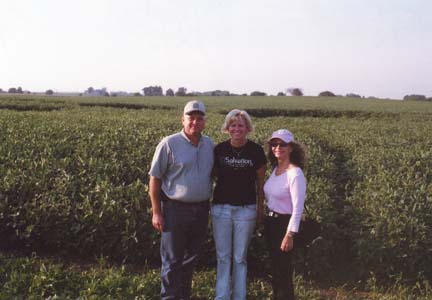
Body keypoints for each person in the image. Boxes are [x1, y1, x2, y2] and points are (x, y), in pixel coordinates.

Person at [148, 100, 214, 300]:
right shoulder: (169, 143)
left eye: (199, 118)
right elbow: (155, 178)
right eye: (191, 118)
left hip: (201, 210)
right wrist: (156, 212)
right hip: (175, 210)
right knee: (172, 261)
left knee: (190, 260)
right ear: (182, 120)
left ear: (204, 122)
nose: (195, 122)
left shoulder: (209, 144)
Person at [212, 109, 267, 300]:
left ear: (248, 128)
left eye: (241, 125)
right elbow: (211, 177)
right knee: (223, 257)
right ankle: (221, 296)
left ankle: (239, 296)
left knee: (240, 258)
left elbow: (261, 185)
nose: (237, 129)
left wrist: (260, 208)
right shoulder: (219, 150)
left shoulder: (256, 151)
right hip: (221, 208)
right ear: (227, 128)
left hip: (246, 209)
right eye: (233, 125)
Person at [263, 129, 307, 300]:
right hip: (271, 223)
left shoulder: (295, 173)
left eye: (282, 144)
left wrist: (289, 235)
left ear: (291, 148)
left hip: (284, 225)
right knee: (276, 269)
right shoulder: (276, 168)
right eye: (274, 144)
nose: (277, 148)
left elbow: (298, 208)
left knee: (284, 270)